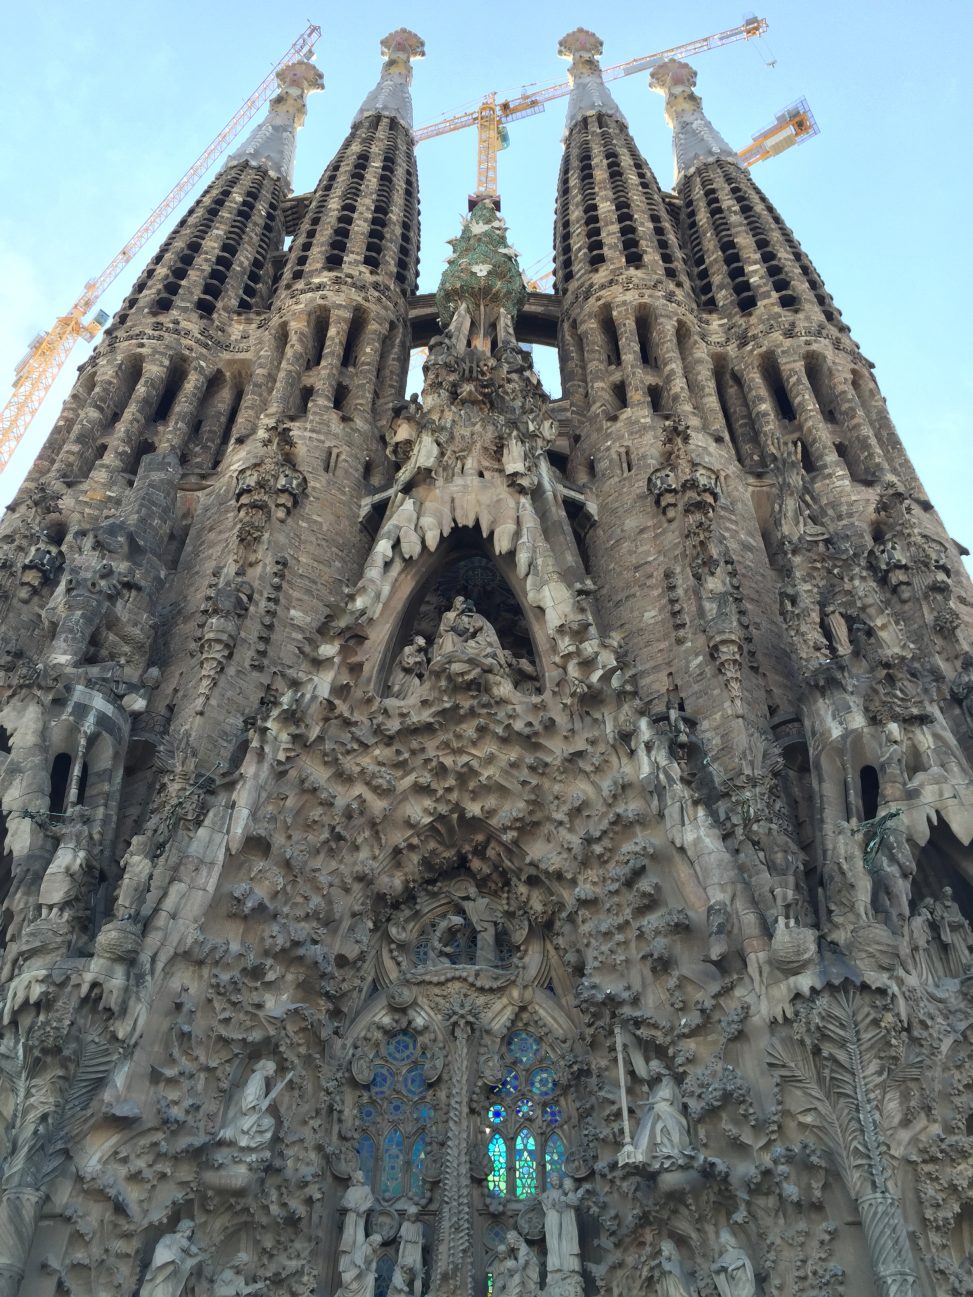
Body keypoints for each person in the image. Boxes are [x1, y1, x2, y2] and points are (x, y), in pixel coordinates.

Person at [140, 1221, 203, 1297]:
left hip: (173, 1275)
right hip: (163, 1272)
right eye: (190, 1231)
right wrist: (172, 1259)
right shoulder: (169, 1237)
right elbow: (160, 1248)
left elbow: (197, 1255)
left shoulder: (185, 1243)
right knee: (160, 1291)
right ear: (184, 1228)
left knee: (169, 1292)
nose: (190, 1234)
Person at [540, 1173, 582, 1276]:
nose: (556, 1182)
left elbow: (572, 1204)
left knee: (562, 1242)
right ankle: (556, 1266)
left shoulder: (565, 1194)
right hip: (554, 1218)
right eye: (553, 1180)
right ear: (550, 1182)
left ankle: (562, 1266)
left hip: (563, 1220)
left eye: (557, 1180)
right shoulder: (549, 1193)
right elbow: (544, 1200)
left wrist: (562, 1202)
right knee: (555, 1242)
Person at [338, 1171, 375, 1271]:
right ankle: (348, 1266)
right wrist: (351, 1206)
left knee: (360, 1239)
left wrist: (363, 1208)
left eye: (363, 1175)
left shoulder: (366, 1189)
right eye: (359, 1175)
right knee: (350, 1240)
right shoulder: (350, 1190)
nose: (362, 1176)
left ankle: (358, 1262)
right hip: (351, 1217)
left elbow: (370, 1201)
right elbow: (343, 1202)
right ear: (355, 1177)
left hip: (360, 1217)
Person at [710, 1228, 756, 1297]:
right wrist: (721, 1265)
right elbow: (712, 1267)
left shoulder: (739, 1251)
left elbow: (743, 1261)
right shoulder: (724, 1257)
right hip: (732, 1285)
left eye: (721, 1237)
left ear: (726, 1238)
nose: (719, 1240)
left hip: (742, 1282)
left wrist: (731, 1268)